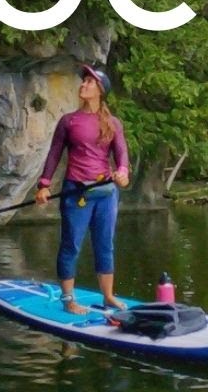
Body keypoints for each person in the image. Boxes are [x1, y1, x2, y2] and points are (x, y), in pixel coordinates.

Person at [34, 64, 131, 315]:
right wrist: (44, 185)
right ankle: (68, 300)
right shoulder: (69, 121)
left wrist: (122, 173)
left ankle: (108, 296)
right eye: (83, 81)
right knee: (71, 245)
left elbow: (121, 155)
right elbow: (54, 154)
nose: (83, 85)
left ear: (100, 90)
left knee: (105, 245)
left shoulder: (113, 123)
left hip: (106, 194)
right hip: (75, 192)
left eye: (89, 82)